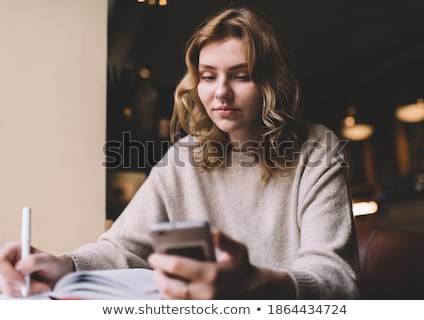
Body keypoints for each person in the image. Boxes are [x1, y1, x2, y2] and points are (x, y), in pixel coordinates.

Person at [0, 7, 360, 299]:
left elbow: (336, 277)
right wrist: (63, 263)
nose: (221, 92)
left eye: (241, 75)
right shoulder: (185, 157)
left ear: (271, 83)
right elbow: (123, 246)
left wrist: (254, 282)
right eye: (208, 76)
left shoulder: (317, 148)